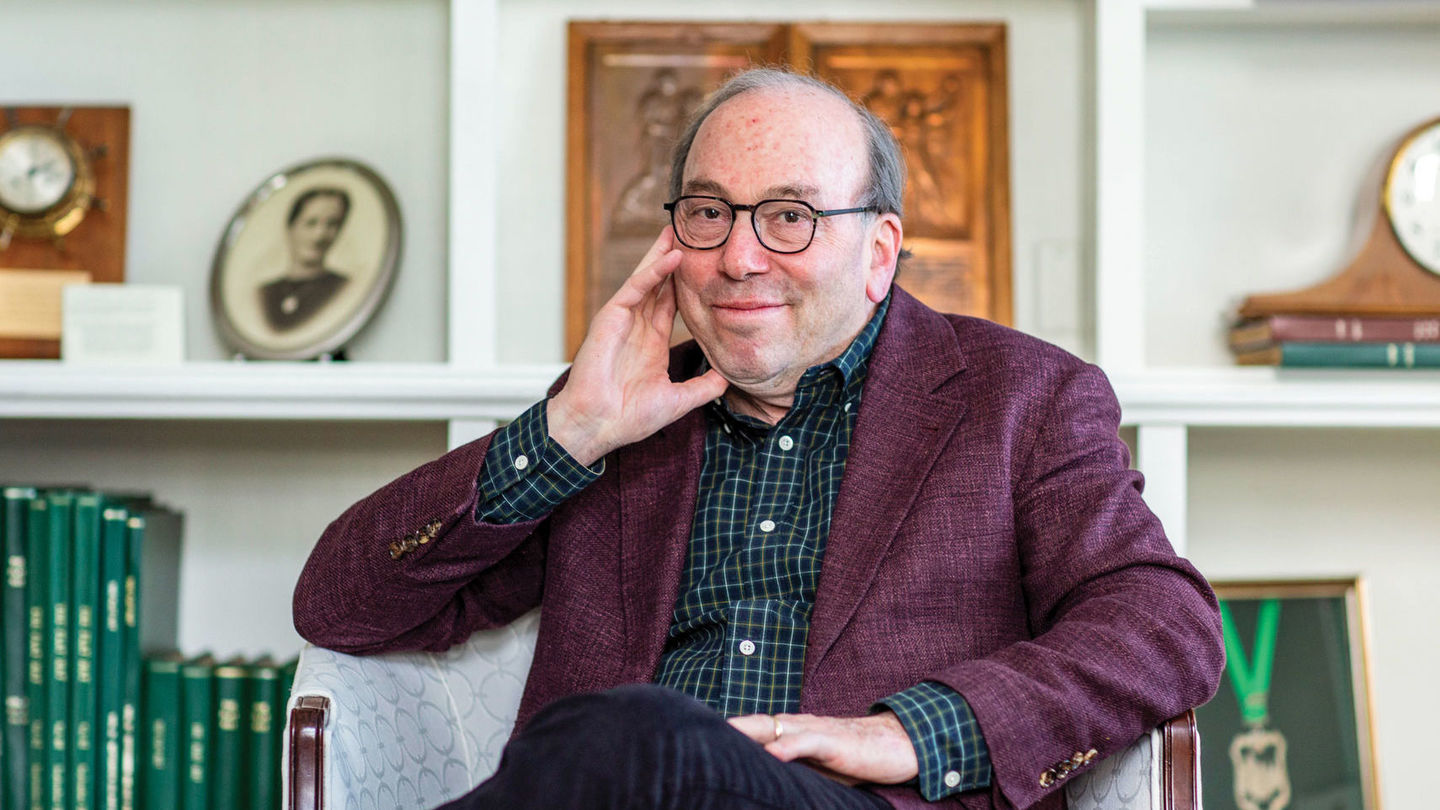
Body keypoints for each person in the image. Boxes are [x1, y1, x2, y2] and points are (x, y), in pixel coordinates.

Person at [293, 68, 1224, 810]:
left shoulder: (1022, 397)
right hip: (619, 795)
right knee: (632, 744)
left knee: (635, 735)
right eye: (709, 213)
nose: (740, 257)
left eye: (791, 216)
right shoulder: (616, 415)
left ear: (880, 252)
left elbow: (1164, 625)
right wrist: (568, 432)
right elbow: (342, 604)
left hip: (853, 802)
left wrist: (913, 732)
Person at [260, 187, 350, 332]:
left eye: (332, 224)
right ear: (291, 227)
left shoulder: (345, 288)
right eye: (310, 223)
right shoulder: (262, 294)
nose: (319, 236)